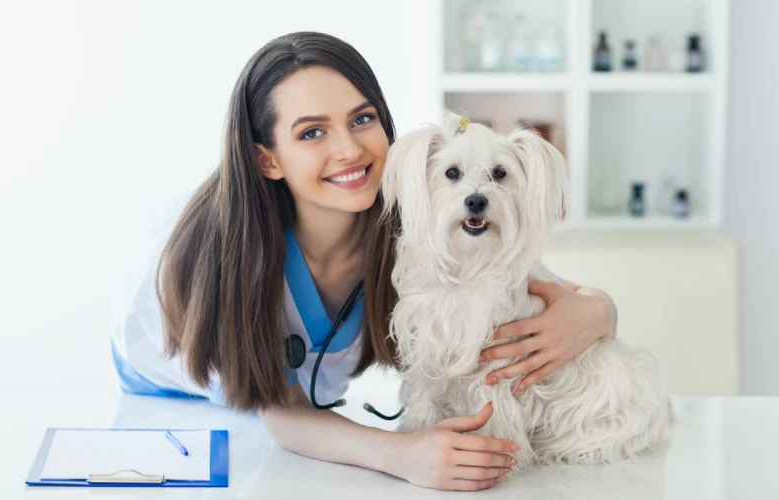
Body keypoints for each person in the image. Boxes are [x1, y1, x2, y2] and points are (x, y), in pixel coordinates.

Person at [110, 31, 618, 492]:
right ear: (267, 158)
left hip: (278, 414)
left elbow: (533, 286)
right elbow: (279, 411)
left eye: (361, 119)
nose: (349, 150)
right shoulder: (231, 253)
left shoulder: (417, 219)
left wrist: (597, 312)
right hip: (163, 392)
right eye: (312, 133)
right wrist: (401, 454)